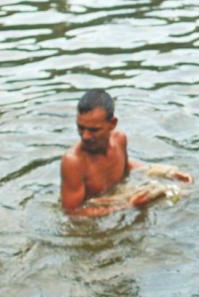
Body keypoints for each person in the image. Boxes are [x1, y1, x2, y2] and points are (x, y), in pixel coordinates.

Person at [61, 89, 191, 216]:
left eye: (94, 130)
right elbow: (72, 212)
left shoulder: (119, 139)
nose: (85, 136)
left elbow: (125, 165)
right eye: (81, 128)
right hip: (96, 212)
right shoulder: (73, 162)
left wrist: (167, 173)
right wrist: (128, 206)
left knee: (182, 193)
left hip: (117, 197)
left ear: (112, 124)